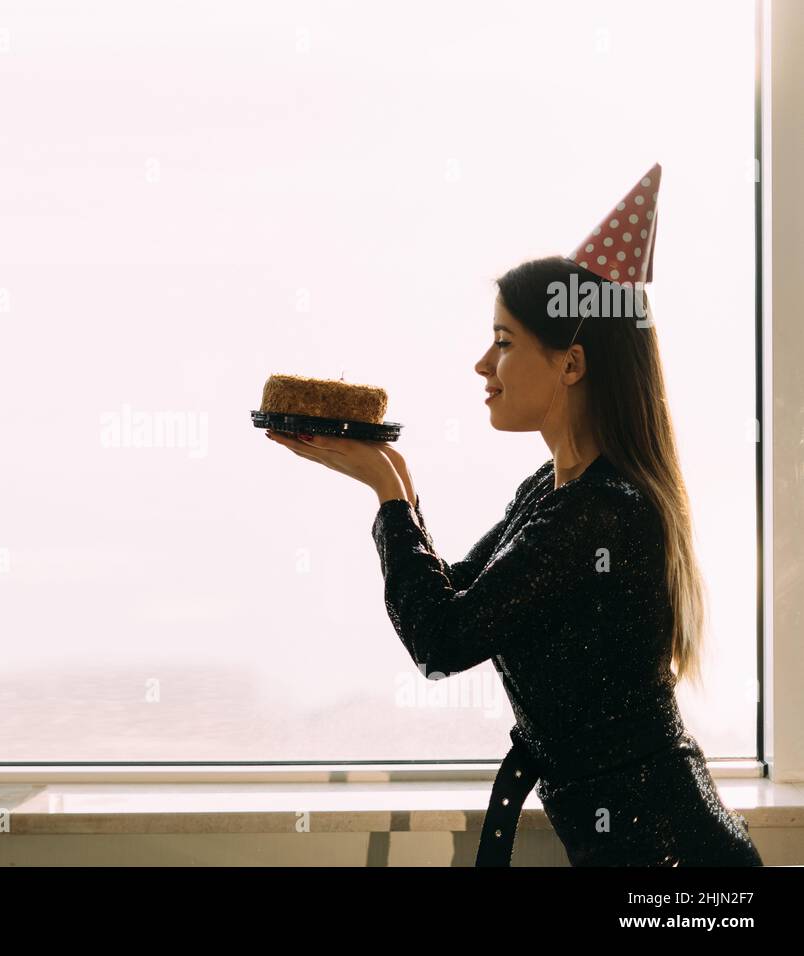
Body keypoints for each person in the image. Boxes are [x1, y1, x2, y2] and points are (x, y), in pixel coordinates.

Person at [265, 166, 763, 867]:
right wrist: (395, 483)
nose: (481, 364)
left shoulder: (603, 515)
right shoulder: (554, 492)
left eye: (503, 342)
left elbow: (442, 640)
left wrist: (388, 495)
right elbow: (457, 596)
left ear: (571, 364)